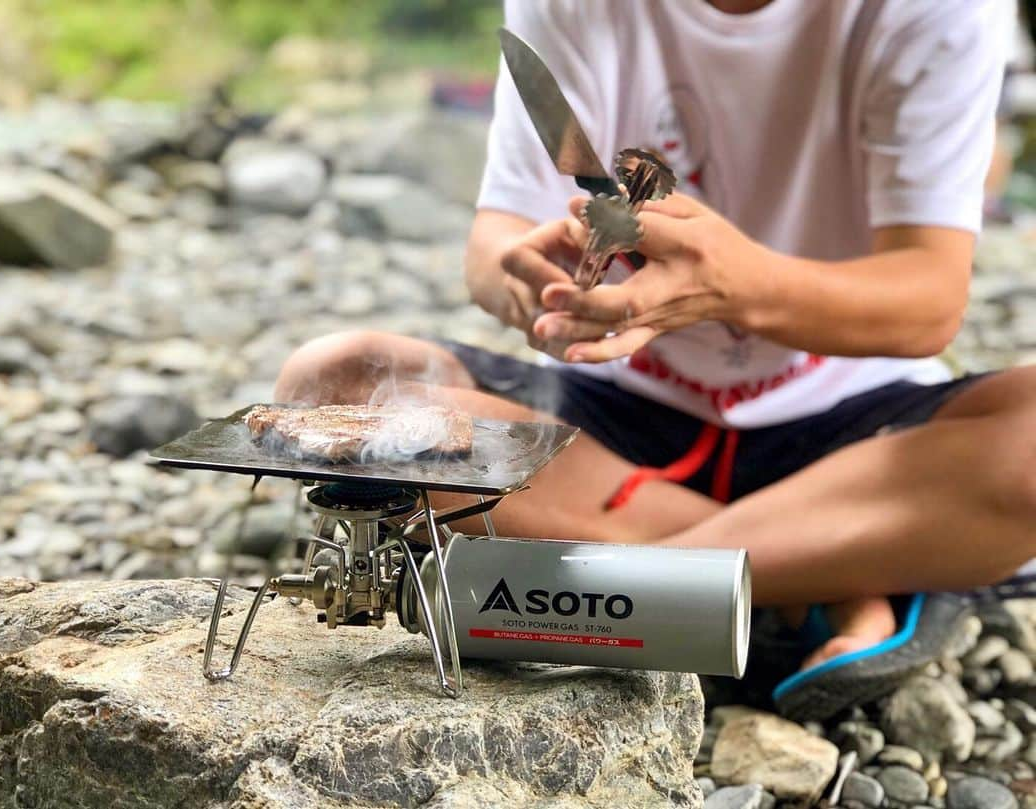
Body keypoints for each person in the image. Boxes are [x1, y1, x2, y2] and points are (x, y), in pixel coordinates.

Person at [276, 0, 1036, 705]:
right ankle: (825, 569)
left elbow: (928, 302)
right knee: (333, 392)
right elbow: (495, 241)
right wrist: (530, 283)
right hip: (618, 425)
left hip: (857, 434)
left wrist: (738, 283)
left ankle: (667, 579)